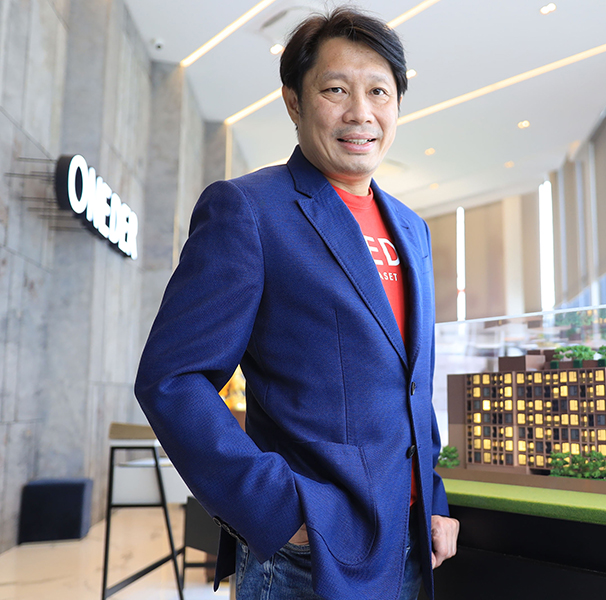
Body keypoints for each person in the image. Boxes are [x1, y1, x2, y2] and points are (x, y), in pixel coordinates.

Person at [134, 7, 459, 599]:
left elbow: (414, 381)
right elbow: (172, 379)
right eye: (336, 90)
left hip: (412, 541)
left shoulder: (412, 229)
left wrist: (432, 498)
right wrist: (280, 514)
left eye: (379, 92)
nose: (360, 112)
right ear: (294, 102)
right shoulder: (248, 210)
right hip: (310, 554)